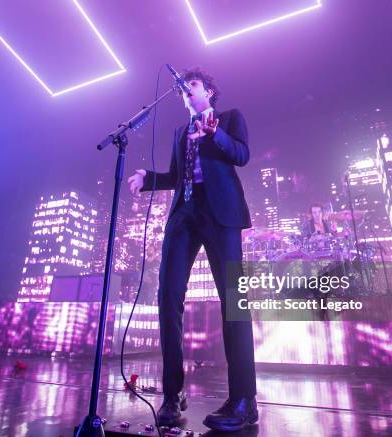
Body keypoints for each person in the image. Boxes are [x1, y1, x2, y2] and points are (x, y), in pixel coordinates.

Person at [127, 67, 257, 432]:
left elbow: (242, 155)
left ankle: (244, 401)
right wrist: (148, 179)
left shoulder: (230, 118)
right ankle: (173, 394)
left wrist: (216, 134)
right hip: (184, 214)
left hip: (221, 213)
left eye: (193, 84)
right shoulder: (179, 131)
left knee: (234, 302)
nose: (186, 90)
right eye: (183, 87)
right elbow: (174, 176)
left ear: (209, 92)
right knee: (167, 298)